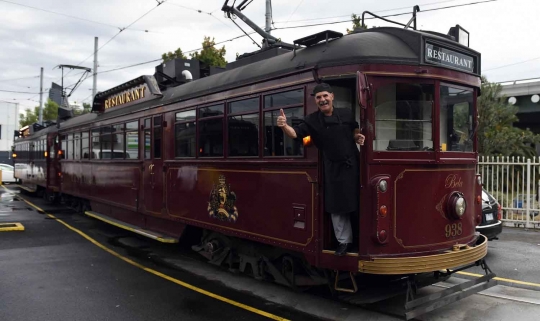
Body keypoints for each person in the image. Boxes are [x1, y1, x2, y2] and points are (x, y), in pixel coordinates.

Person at [277, 83, 365, 256]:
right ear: (316, 101)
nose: (322, 100)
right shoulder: (311, 120)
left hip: (353, 165)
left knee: (358, 203)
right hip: (332, 168)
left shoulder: (346, 113)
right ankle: (344, 242)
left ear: (332, 96)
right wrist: (283, 126)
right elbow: (295, 134)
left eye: (325, 96)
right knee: (337, 207)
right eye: (318, 97)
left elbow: (354, 128)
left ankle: (362, 240)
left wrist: (357, 136)